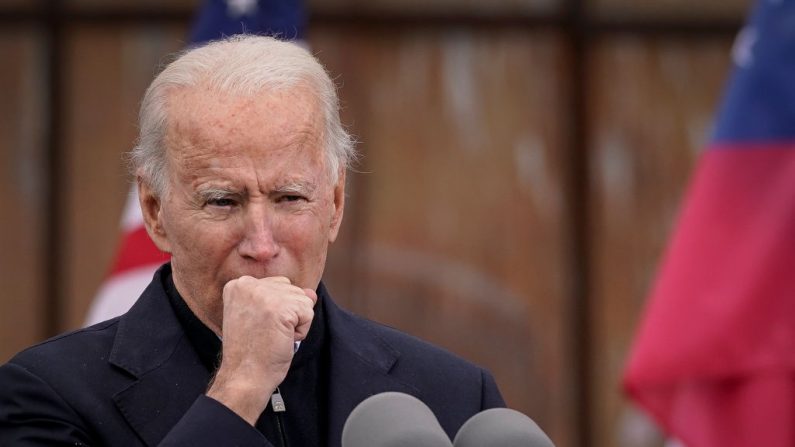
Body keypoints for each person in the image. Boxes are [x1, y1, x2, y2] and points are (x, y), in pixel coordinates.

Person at [0, 35, 504, 446]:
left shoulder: (456, 396)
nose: (261, 245)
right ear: (155, 212)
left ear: (335, 202)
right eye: (222, 201)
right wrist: (239, 387)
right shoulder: (49, 394)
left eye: (289, 198)